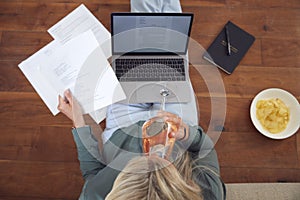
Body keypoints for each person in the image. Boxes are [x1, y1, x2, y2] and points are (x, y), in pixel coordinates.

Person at [57, 0, 226, 199]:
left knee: (139, 41)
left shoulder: (96, 196)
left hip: (122, 130)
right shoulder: (208, 193)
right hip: (176, 131)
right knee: (170, 48)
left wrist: (78, 121)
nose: (150, 149)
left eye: (141, 163)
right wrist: (187, 134)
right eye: (164, 163)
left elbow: (93, 177)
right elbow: (204, 147)